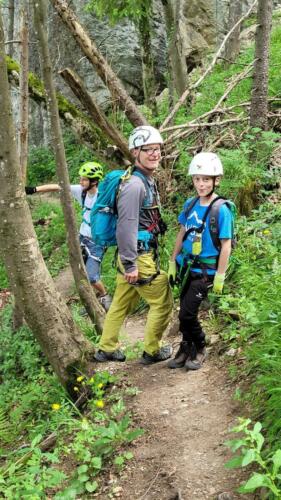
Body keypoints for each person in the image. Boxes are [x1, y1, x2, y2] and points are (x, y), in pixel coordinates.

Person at [94, 125, 173, 364]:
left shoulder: (143, 180)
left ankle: (106, 347)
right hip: (137, 256)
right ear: (135, 152)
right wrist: (130, 265)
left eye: (158, 149)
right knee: (162, 300)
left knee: (120, 302)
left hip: (132, 255)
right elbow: (126, 226)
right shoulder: (135, 186)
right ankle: (153, 349)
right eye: (148, 149)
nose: (155, 154)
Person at [167, 152, 233, 370]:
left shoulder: (221, 209)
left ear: (216, 180)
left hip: (206, 271)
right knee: (182, 312)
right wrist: (172, 261)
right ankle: (186, 347)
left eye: (206, 179)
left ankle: (201, 346)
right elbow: (182, 232)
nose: (201, 184)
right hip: (187, 266)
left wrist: (221, 275)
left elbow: (226, 244)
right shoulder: (191, 203)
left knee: (187, 313)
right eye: (197, 179)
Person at [25, 162, 112, 311]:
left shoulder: (103, 196)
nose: (80, 181)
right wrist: (34, 189)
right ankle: (91, 301)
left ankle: (105, 295)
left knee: (91, 276)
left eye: (84, 179)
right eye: (81, 178)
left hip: (98, 241)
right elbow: (57, 186)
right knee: (81, 271)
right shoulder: (82, 191)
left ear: (94, 181)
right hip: (83, 237)